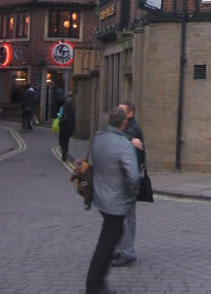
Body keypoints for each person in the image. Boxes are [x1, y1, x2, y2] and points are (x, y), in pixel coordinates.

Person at [85, 106, 140, 294]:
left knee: (110, 238)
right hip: (116, 201)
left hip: (100, 198)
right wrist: (132, 194)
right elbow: (133, 176)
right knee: (107, 243)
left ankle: (97, 284)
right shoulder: (124, 144)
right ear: (124, 123)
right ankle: (94, 286)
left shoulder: (98, 138)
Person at [111, 100, 145, 267]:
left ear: (130, 114)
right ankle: (125, 250)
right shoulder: (127, 130)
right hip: (128, 178)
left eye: (122, 111)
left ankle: (127, 252)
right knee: (125, 217)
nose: (118, 113)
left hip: (127, 180)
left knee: (123, 217)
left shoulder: (131, 129)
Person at [58, 95, 75, 161]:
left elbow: (59, 116)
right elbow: (73, 120)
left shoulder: (62, 108)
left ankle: (64, 151)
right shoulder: (72, 110)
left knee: (61, 141)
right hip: (69, 128)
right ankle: (66, 151)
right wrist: (73, 128)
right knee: (66, 140)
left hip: (63, 127)